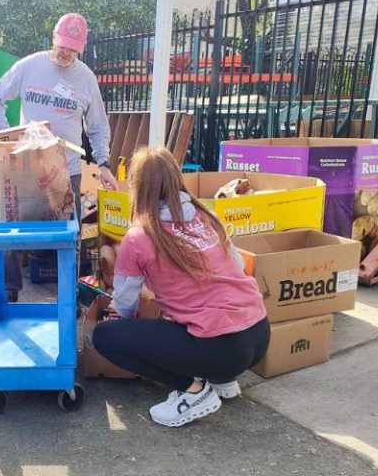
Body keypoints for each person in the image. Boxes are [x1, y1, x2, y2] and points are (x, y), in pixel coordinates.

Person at [92, 147, 270, 428]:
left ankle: (194, 390)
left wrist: (127, 324)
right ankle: (221, 379)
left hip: (220, 348)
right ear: (177, 178)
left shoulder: (139, 237)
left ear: (137, 188)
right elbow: (237, 266)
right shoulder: (207, 216)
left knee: (105, 337)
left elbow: (125, 304)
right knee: (189, 324)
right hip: (259, 335)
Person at [0, 12, 118, 302]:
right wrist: (4, 136)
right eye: (62, 46)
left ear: (81, 47)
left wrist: (104, 163)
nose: (66, 53)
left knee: (69, 233)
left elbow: (97, 126)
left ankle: (67, 296)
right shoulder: (29, 66)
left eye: (73, 49)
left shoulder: (85, 78)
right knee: (13, 230)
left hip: (65, 170)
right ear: (54, 39)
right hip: (26, 167)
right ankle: (11, 292)